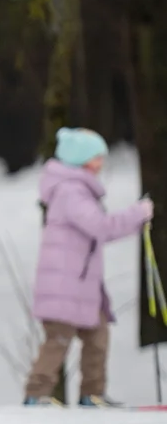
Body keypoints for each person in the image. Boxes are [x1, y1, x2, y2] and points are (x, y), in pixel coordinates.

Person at [23, 127, 154, 407]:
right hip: (64, 285)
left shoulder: (79, 190)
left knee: (98, 335)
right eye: (96, 157)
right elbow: (100, 226)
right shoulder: (71, 192)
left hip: (80, 285)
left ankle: (92, 393)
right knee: (58, 339)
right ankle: (36, 395)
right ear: (80, 159)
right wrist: (137, 214)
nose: (101, 162)